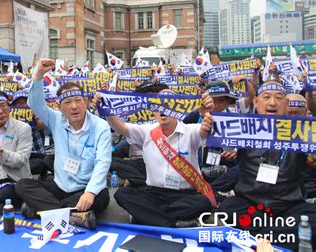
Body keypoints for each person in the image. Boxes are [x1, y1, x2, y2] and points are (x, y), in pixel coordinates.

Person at [219, 81, 316, 250]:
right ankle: (275, 240)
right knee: (228, 209)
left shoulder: (302, 133)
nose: (272, 102)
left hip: (288, 207)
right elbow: (214, 138)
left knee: (311, 217)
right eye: (266, 97)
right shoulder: (240, 129)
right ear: (256, 102)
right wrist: (207, 121)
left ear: (286, 104)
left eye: (278, 98)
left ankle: (258, 240)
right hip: (250, 204)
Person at [15, 58, 111, 229]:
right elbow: (35, 103)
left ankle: (42, 209)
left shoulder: (100, 126)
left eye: (78, 100)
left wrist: (90, 192)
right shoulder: (56, 119)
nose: (74, 107)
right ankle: (73, 216)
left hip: (85, 187)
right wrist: (38, 74)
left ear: (86, 102)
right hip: (60, 186)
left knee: (101, 197)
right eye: (67, 102)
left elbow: (103, 162)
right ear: (60, 107)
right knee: (23, 185)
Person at [106, 85, 215, 227]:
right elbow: (121, 127)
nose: (163, 109)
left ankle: (149, 217)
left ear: (177, 109)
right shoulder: (147, 131)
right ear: (154, 112)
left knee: (203, 203)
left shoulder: (191, 131)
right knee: (122, 194)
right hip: (154, 193)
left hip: (185, 194)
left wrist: (206, 115)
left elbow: (204, 131)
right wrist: (107, 110)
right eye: (159, 105)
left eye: (168, 104)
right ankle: (174, 223)